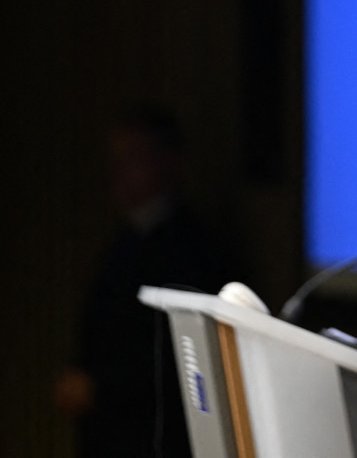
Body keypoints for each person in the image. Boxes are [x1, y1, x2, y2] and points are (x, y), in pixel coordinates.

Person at [53, 105, 236, 458]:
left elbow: (178, 355)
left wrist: (98, 387)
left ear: (170, 162)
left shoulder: (189, 248)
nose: (119, 172)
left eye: (134, 158)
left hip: (153, 436)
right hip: (107, 434)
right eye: (116, 160)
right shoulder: (125, 238)